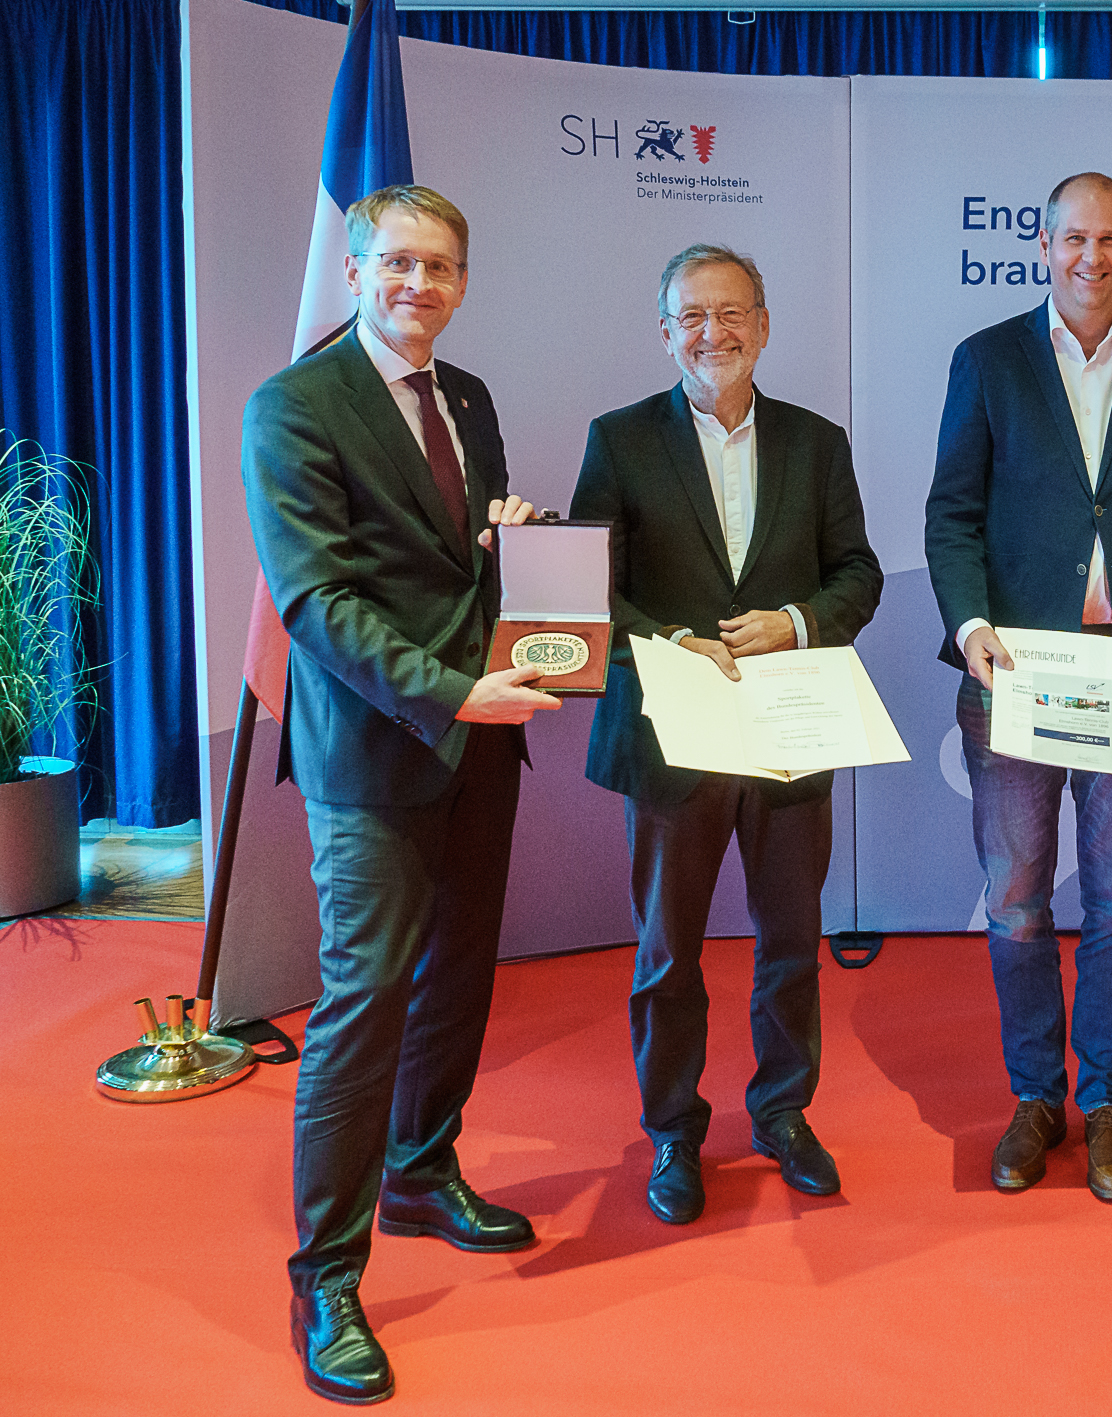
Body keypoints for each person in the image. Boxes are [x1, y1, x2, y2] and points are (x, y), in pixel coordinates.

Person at [243, 184, 559, 1405]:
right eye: (397, 263)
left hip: (483, 740)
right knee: (364, 995)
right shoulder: (294, 404)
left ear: (462, 283)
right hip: (378, 745)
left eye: (439, 268)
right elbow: (317, 602)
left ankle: (423, 1169)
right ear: (354, 272)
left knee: (460, 968)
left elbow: (449, 547)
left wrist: (503, 538)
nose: (417, 285)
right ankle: (325, 1270)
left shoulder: (465, 397)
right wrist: (449, 691)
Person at [925, 172, 1112, 1202]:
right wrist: (966, 626)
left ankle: (1103, 1100)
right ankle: (1032, 1098)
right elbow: (950, 513)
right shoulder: (986, 360)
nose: (1088, 258)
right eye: (1071, 240)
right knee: (1013, 902)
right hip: (1012, 675)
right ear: (1041, 246)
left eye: (1107, 241)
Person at [571, 244, 882, 1223]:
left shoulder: (815, 441)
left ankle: (782, 1111)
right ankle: (673, 1127)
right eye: (693, 316)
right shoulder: (619, 441)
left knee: (789, 938)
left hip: (789, 724)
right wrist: (667, 640)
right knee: (670, 948)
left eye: (733, 312)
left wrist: (795, 622)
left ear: (764, 321)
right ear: (666, 333)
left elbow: (858, 575)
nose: (716, 332)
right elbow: (590, 593)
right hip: (673, 734)